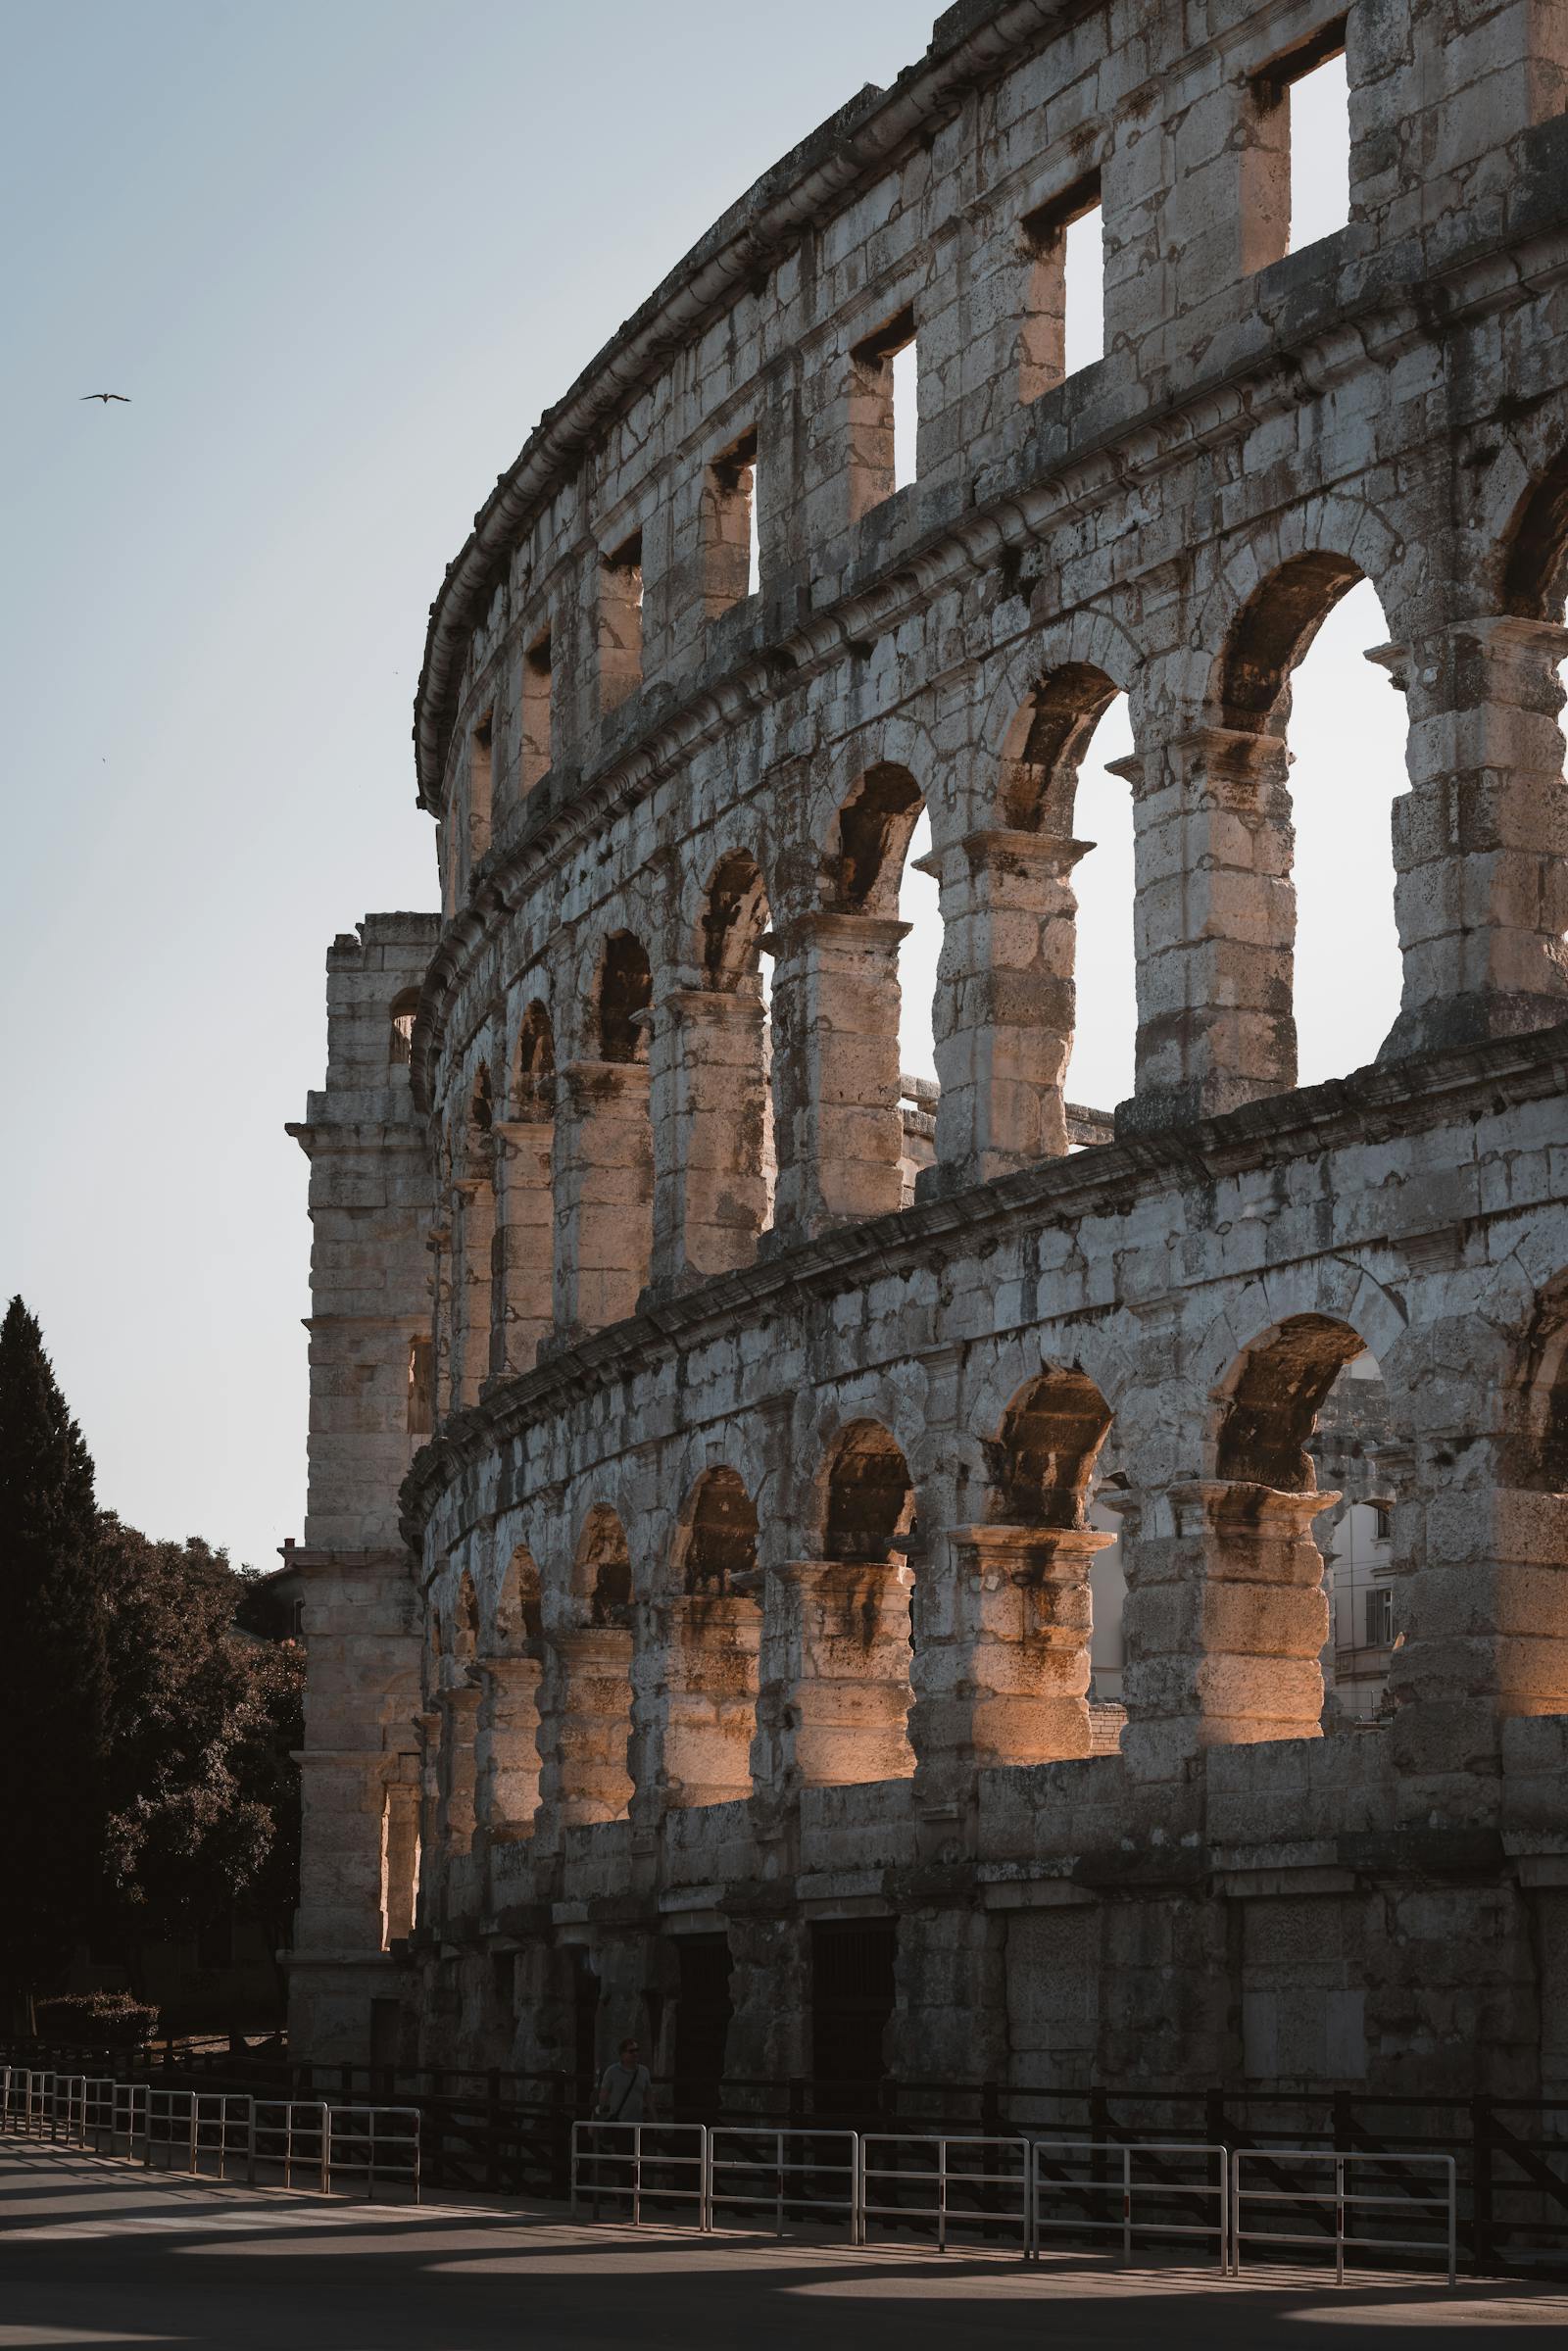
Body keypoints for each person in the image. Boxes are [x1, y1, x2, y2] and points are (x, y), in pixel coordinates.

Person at [596, 2037, 656, 2125]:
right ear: (622, 2054)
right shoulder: (612, 2071)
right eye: (631, 2051)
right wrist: (595, 2120)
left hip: (637, 2123)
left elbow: (649, 2099)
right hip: (618, 2123)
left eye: (637, 2050)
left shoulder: (644, 2071)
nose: (635, 2053)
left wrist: (655, 2121)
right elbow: (603, 2098)